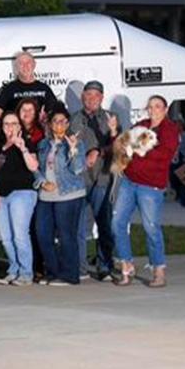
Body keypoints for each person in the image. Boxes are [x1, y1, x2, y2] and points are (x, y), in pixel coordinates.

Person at [112, 95, 180, 288]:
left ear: (165, 109)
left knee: (151, 228)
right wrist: (120, 140)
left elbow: (164, 154)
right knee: (117, 223)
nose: (153, 110)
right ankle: (127, 266)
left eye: (158, 106)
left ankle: (158, 271)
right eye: (150, 106)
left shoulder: (170, 129)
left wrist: (138, 148)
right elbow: (123, 145)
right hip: (129, 181)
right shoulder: (141, 124)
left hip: (151, 186)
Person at [70, 80, 120, 280]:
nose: (91, 99)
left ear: (101, 97)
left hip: (102, 177)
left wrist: (98, 150)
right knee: (79, 227)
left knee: (104, 224)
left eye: (95, 95)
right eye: (88, 95)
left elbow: (118, 148)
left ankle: (104, 266)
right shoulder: (73, 119)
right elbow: (68, 147)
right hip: (80, 179)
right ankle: (81, 268)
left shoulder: (111, 118)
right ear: (83, 97)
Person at [35, 108, 87, 286]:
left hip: (69, 194)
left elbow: (78, 169)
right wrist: (42, 182)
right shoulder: (43, 144)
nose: (60, 124)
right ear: (50, 124)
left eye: (63, 121)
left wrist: (73, 150)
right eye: (56, 121)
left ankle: (70, 275)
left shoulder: (76, 143)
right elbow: (37, 169)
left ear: (68, 124)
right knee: (42, 234)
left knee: (66, 235)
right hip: (46, 195)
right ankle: (53, 272)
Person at [0, 111, 40, 286]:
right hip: (2, 195)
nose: (10, 127)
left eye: (14, 124)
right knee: (6, 237)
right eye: (6, 124)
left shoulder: (27, 142)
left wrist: (22, 148)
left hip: (22, 192)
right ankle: (14, 269)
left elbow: (34, 166)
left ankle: (26, 272)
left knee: (20, 235)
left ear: (19, 126)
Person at [0, 51, 59, 118]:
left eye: (28, 62)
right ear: (16, 67)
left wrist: (45, 119)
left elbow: (54, 113)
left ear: (34, 64)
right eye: (21, 63)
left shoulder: (44, 88)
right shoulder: (9, 88)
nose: (25, 66)